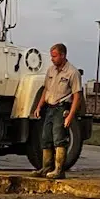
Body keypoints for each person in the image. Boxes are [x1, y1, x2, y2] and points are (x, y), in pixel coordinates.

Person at [30, 42, 82, 179]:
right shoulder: (51, 70)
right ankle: (46, 167)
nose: (52, 59)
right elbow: (46, 90)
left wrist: (70, 115)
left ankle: (59, 169)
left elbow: (77, 95)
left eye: (54, 56)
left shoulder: (72, 73)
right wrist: (39, 106)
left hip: (62, 107)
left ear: (63, 55)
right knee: (46, 138)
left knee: (59, 138)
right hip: (50, 107)